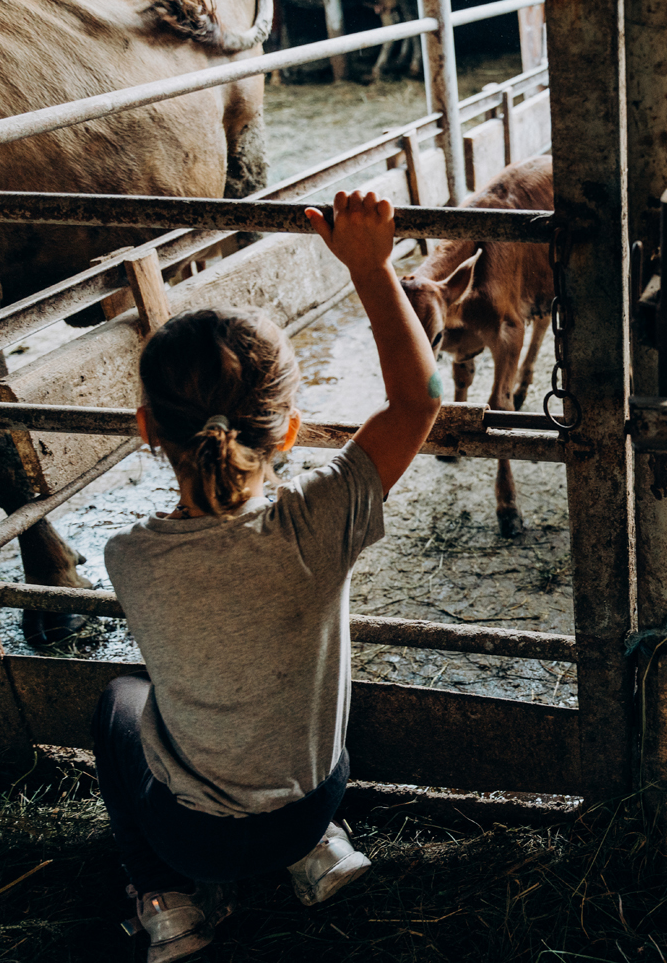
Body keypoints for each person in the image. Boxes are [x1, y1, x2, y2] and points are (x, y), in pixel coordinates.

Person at [93, 190, 440, 963]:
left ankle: (167, 902)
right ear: (287, 428)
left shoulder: (127, 557)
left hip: (194, 842)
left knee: (119, 702)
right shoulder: (316, 524)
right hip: (316, 804)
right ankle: (316, 857)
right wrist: (373, 266)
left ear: (147, 428)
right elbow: (421, 400)